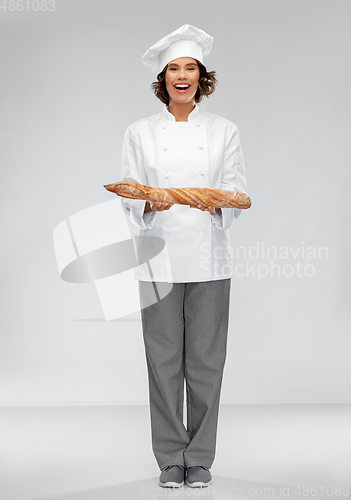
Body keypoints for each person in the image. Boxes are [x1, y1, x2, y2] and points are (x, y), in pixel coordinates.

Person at [120, 24, 249, 489]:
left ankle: (200, 456)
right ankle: (170, 457)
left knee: (207, 361)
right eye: (173, 68)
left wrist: (214, 201)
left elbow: (237, 191)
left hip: (211, 258)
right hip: (156, 259)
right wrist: (146, 203)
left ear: (202, 77)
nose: (182, 75)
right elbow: (129, 191)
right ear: (162, 78)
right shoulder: (140, 132)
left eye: (190, 68)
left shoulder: (223, 131)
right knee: (162, 360)